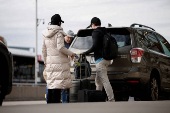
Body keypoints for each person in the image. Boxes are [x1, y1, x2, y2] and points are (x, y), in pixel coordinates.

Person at [42, 14, 75, 103]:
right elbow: (61, 47)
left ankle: (50, 103)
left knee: (51, 84)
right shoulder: (59, 33)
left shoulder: (45, 34)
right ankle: (55, 105)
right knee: (57, 85)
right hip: (58, 63)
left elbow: (43, 49)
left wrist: (45, 61)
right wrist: (71, 54)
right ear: (59, 23)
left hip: (49, 63)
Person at [82, 17, 114, 102]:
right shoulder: (104, 31)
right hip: (106, 59)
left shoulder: (96, 32)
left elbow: (95, 46)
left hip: (100, 59)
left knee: (104, 80)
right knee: (98, 80)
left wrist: (86, 52)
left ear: (93, 24)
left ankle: (111, 99)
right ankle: (98, 98)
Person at [62, 30, 75, 103]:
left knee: (68, 85)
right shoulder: (61, 43)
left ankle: (66, 100)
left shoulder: (72, 44)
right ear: (64, 36)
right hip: (62, 66)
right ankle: (64, 101)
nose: (69, 39)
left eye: (70, 38)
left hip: (70, 66)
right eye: (68, 37)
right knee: (63, 85)